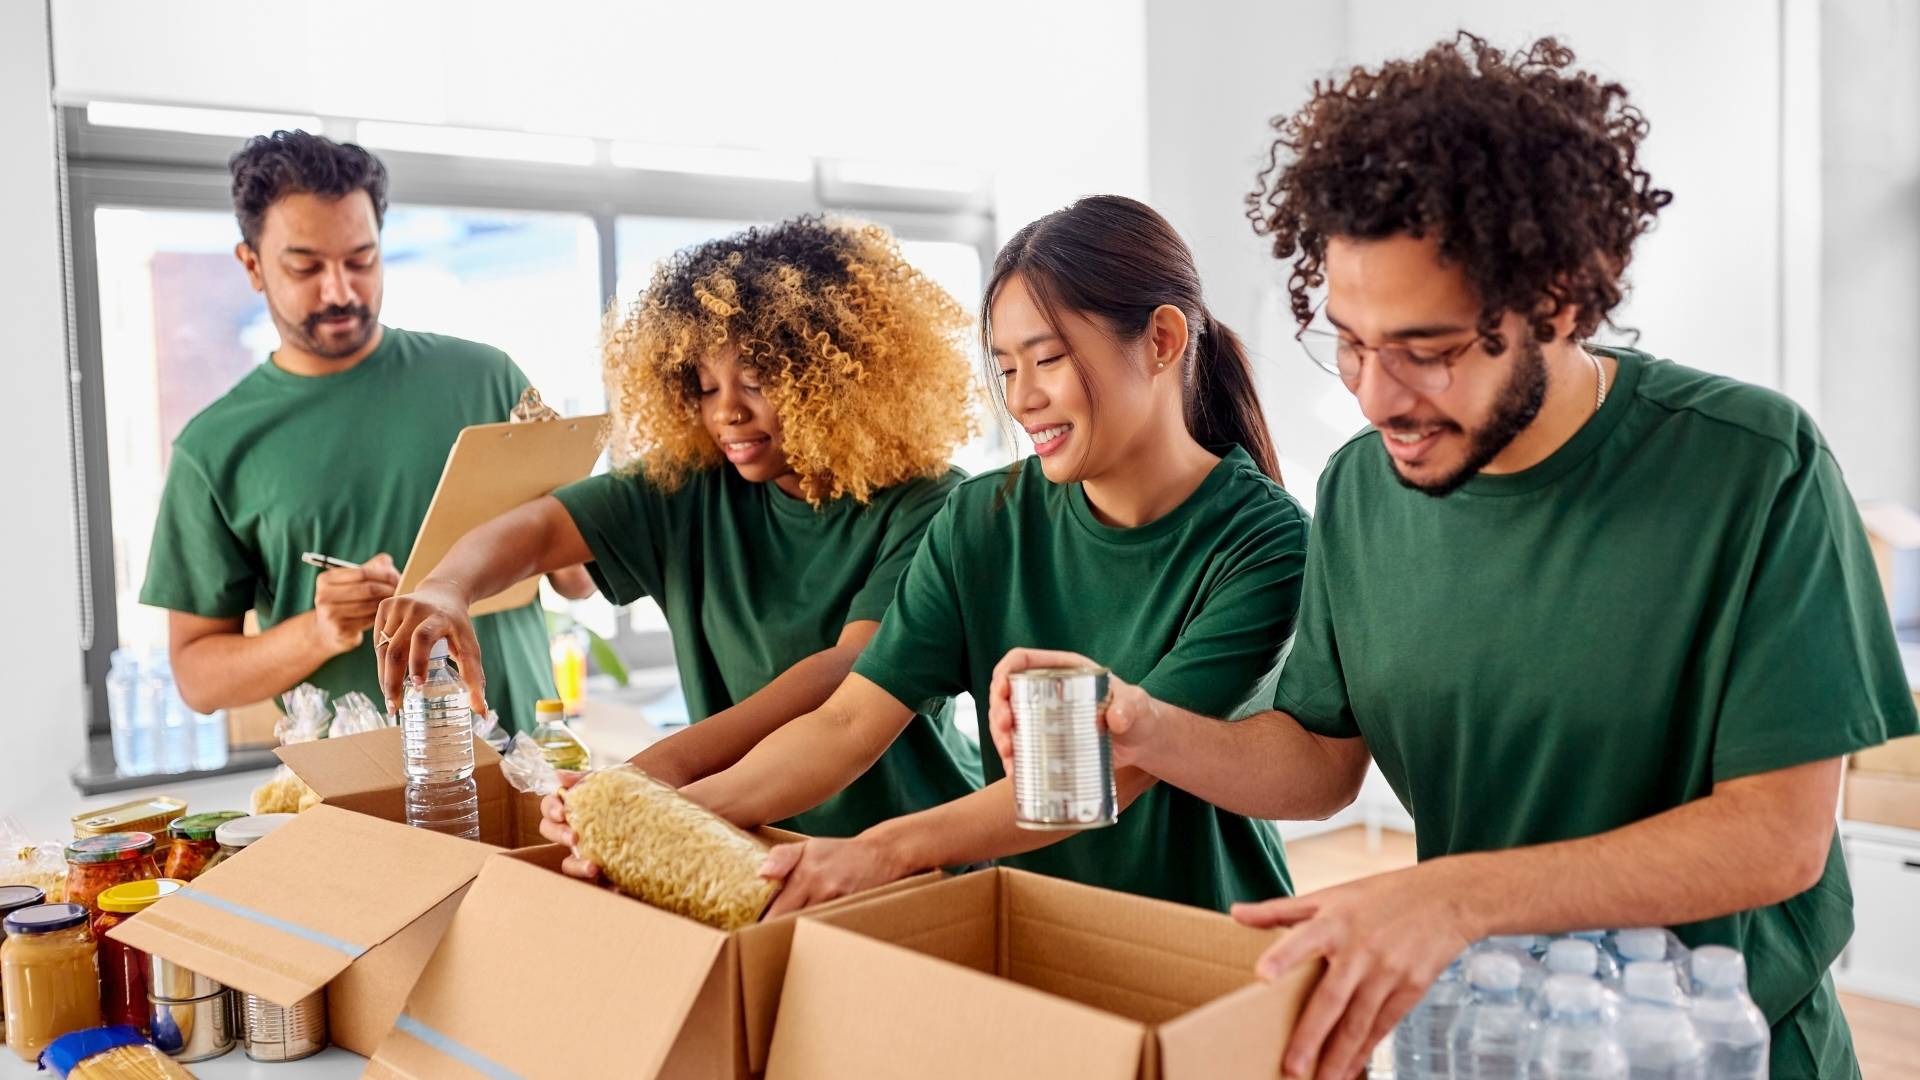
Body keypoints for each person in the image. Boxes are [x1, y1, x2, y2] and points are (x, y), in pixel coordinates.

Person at [992, 35, 1913, 1079]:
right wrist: (1147, 727)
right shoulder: (1360, 491)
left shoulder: (1751, 469)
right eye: (1347, 340)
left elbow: (1774, 840)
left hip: (1710, 1050)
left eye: (1425, 352)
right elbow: (1319, 760)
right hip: (1476, 1039)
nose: (1376, 396)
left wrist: (1452, 895)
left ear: (1559, 300)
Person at [638, 195, 1318, 916]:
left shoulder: (1263, 540)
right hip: (1032, 927)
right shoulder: (981, 519)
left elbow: (1109, 766)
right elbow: (847, 725)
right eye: (1006, 369)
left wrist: (885, 849)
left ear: (1161, 340)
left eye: (1048, 360)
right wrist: (660, 809)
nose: (1023, 399)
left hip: (1206, 932)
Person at [376, 216, 983, 837]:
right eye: (704, 384)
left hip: (906, 843)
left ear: (836, 378)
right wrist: (448, 586)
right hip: (746, 840)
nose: (728, 412)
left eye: (756, 380)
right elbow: (536, 530)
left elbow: (849, 671)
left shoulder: (931, 504)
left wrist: (653, 775)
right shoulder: (690, 486)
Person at [141, 130, 588, 736]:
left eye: (361, 260)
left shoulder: (487, 377)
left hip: (524, 772)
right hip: (351, 801)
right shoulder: (214, 448)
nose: (340, 291)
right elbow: (198, 678)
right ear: (251, 266)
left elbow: (579, 579)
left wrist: (563, 527)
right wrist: (319, 632)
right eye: (305, 266)